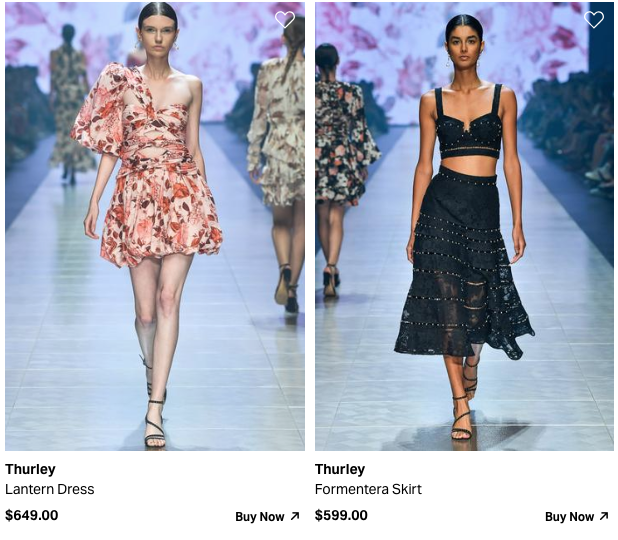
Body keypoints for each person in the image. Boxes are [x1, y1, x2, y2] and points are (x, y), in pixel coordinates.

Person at [71, 2, 223, 448]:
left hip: (182, 196)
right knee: (145, 313)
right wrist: (95, 199)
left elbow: (193, 147)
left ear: (176, 34)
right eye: (151, 29)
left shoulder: (191, 85)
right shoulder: (121, 82)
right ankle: (153, 369)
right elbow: (112, 147)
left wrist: (206, 204)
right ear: (139, 33)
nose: (159, 37)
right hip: (135, 197)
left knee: (168, 299)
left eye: (167, 29)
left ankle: (154, 406)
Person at [394, 14, 535, 441]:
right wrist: (414, 227)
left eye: (471, 40)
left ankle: (472, 360)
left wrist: (518, 221)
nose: (463, 48)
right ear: (447, 47)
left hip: (483, 209)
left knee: (477, 301)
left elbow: (511, 161)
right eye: (456, 41)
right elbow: (423, 165)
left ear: (481, 45)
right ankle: (460, 404)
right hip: (441, 208)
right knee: (448, 307)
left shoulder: (504, 96)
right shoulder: (431, 100)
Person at [247, 16, 305, 315]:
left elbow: (259, 116)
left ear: (283, 39)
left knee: (281, 223)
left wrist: (253, 157)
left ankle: (284, 267)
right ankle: (292, 287)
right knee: (302, 225)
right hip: (306, 153)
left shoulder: (268, 70)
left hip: (278, 151)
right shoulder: (312, 73)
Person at [315, 43, 381, 297]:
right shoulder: (351, 92)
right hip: (341, 157)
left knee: (322, 214)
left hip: (317, 157)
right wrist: (362, 162)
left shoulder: (310, 92)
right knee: (337, 214)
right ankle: (331, 266)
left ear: (317, 65)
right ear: (338, 62)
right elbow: (360, 129)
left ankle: (329, 266)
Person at [49, 24, 96, 184]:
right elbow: (84, 78)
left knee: (64, 133)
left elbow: (53, 78)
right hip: (75, 98)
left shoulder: (55, 54)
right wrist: (89, 98)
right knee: (74, 134)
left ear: (62, 35)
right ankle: (72, 170)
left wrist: (51, 96)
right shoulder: (79, 55)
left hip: (63, 99)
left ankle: (67, 167)